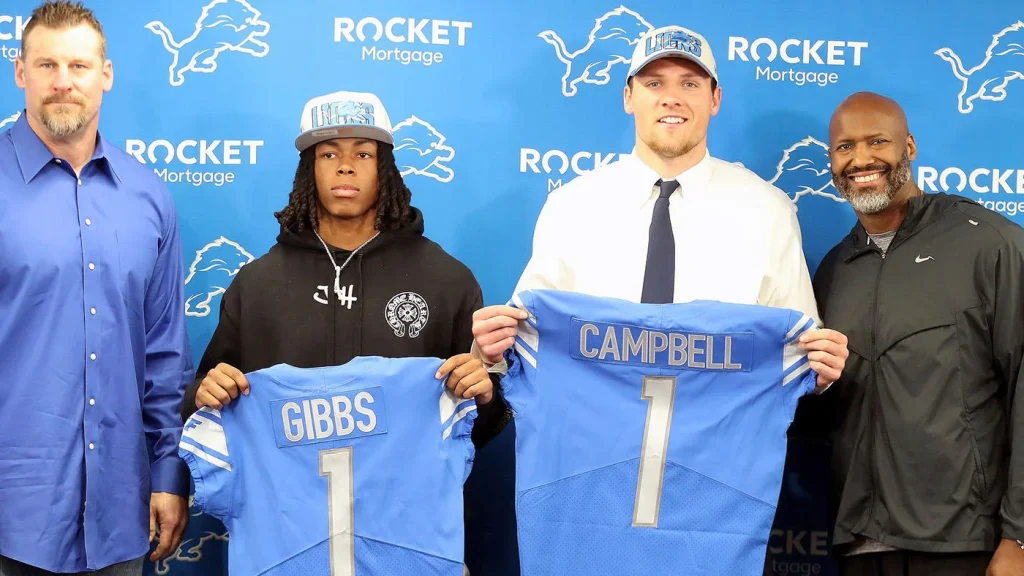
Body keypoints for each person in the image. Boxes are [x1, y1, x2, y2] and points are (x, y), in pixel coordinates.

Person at [472, 25, 849, 388]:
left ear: (715, 99)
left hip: (716, 429)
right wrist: (491, 352)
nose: (672, 98)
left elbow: (798, 355)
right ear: (628, 97)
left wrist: (818, 374)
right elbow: (527, 341)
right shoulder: (571, 207)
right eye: (654, 83)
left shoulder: (768, 211)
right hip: (594, 427)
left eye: (690, 84)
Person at [179, 89, 509, 449]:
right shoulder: (256, 283)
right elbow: (203, 401)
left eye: (363, 153)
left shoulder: (447, 280)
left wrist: (484, 396)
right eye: (329, 153)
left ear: (385, 168)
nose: (345, 166)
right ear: (309, 169)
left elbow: (483, 426)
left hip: (406, 485)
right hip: (285, 486)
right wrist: (204, 394)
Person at [0, 1, 192, 574]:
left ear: (105, 74)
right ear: (20, 71)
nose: (63, 82)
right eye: (47, 65)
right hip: (11, 517)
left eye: (79, 66)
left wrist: (168, 472)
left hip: (119, 516)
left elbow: (164, 354)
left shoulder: (148, 196)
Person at [808, 91, 1024, 576]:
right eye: (844, 147)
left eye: (877, 141)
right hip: (858, 543)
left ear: (909, 146)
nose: (861, 159)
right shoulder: (835, 269)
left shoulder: (988, 243)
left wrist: (1020, 536)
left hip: (965, 543)